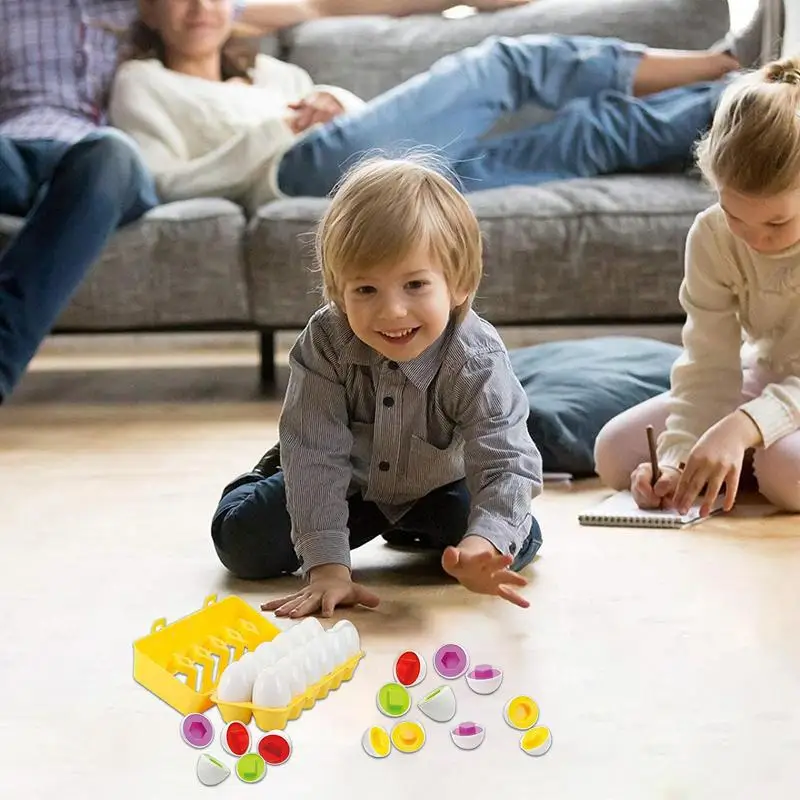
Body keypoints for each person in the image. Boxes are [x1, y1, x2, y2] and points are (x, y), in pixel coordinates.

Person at [0, 0, 490, 405]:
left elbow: (317, 6)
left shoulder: (144, 12)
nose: (201, 8)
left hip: (95, 164)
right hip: (13, 147)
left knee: (112, 154)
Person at [211, 156, 544, 617]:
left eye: (415, 285)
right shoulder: (327, 341)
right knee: (242, 544)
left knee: (515, 542)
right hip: (346, 480)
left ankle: (415, 526)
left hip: (439, 484)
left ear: (460, 284)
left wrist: (481, 543)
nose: (391, 312)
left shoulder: (476, 358)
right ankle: (272, 468)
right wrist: (327, 567)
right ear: (338, 291)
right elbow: (317, 456)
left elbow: (506, 460)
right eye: (366, 290)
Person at [108, 0, 755, 215]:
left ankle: (755, 96)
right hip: (300, 174)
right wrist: (273, 132)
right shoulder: (143, 82)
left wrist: (338, 102)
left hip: (380, 180)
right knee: (503, 65)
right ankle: (725, 57)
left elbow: (370, 128)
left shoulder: (276, 71)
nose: (200, 7)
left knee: (587, 136)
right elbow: (159, 184)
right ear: (148, 9)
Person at [594, 56, 800, 518]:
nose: (752, 237)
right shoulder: (711, 234)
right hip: (765, 378)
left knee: (790, 475)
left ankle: (751, 456)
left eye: (776, 222)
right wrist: (676, 459)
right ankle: (740, 461)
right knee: (614, 453)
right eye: (734, 213)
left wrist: (740, 428)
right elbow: (708, 364)